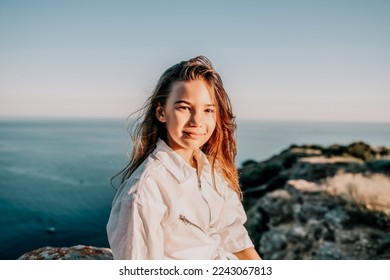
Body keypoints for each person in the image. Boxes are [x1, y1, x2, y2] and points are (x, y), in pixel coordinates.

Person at [107, 55, 261, 260]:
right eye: (184, 108)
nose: (197, 121)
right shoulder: (146, 190)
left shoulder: (211, 171)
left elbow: (237, 241)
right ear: (162, 113)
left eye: (208, 110)